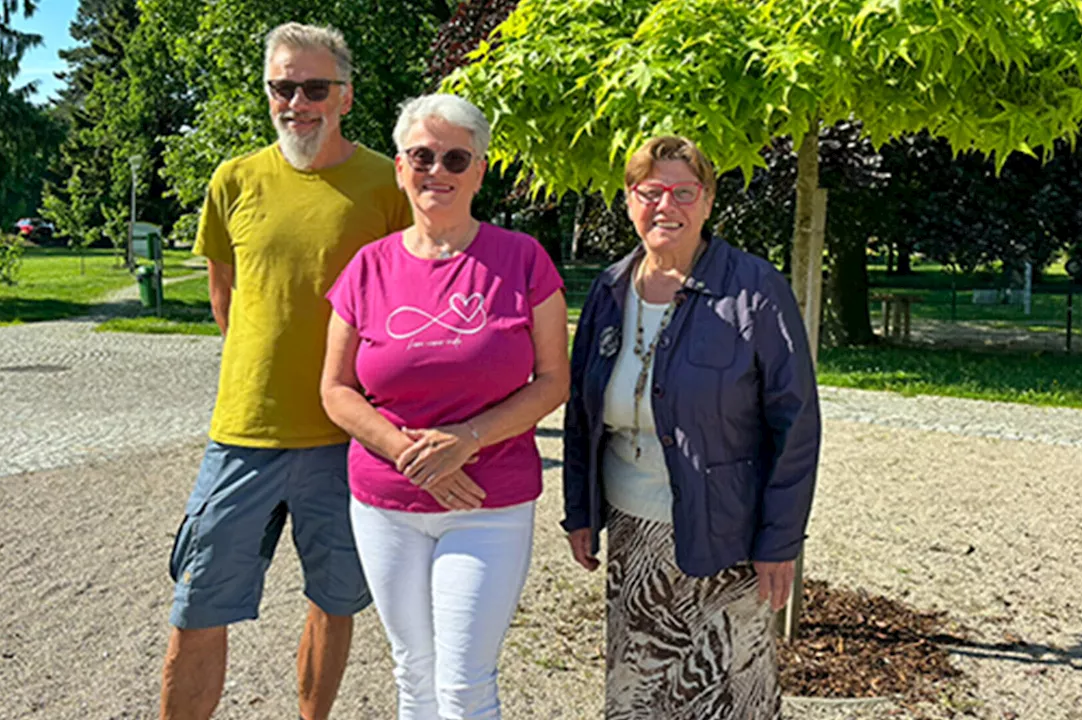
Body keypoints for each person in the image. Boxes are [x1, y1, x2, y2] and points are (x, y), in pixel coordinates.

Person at [159, 22, 412, 720]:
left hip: (343, 437)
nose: (296, 101)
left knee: (334, 600)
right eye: (282, 86)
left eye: (314, 87)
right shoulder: (234, 178)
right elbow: (225, 293)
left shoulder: (385, 186)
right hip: (243, 433)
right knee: (198, 602)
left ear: (346, 96)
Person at [321, 93, 569, 720]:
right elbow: (336, 390)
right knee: (414, 673)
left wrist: (469, 439)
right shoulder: (367, 268)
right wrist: (409, 453)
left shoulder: (523, 259)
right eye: (423, 156)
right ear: (400, 168)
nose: (439, 171)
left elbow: (552, 381)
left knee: (464, 682)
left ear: (480, 170)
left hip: (487, 504)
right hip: (386, 504)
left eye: (456, 157)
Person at [562, 135, 821, 719]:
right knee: (644, 690)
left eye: (684, 192)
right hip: (634, 539)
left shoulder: (754, 289)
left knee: (728, 695)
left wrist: (780, 541)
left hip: (727, 534)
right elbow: (581, 413)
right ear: (629, 200)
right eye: (650, 191)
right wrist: (580, 511)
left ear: (707, 202)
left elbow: (796, 423)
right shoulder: (608, 290)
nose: (666, 206)